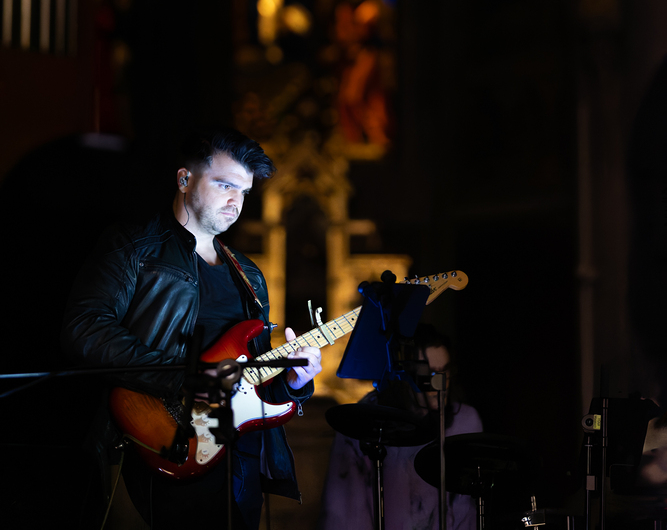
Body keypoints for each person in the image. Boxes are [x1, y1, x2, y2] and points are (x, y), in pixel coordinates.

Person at [61, 127, 322, 530]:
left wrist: (293, 381)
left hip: (238, 466)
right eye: (225, 185)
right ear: (184, 179)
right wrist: (184, 377)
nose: (236, 202)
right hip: (157, 444)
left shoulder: (249, 275)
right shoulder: (135, 246)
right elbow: (85, 329)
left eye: (244, 192)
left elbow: (254, 379)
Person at [318, 324, 482, 530]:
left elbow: (466, 511)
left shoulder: (465, 422)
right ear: (405, 375)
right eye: (428, 374)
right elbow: (344, 513)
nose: (440, 383)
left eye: (445, 372)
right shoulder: (367, 422)